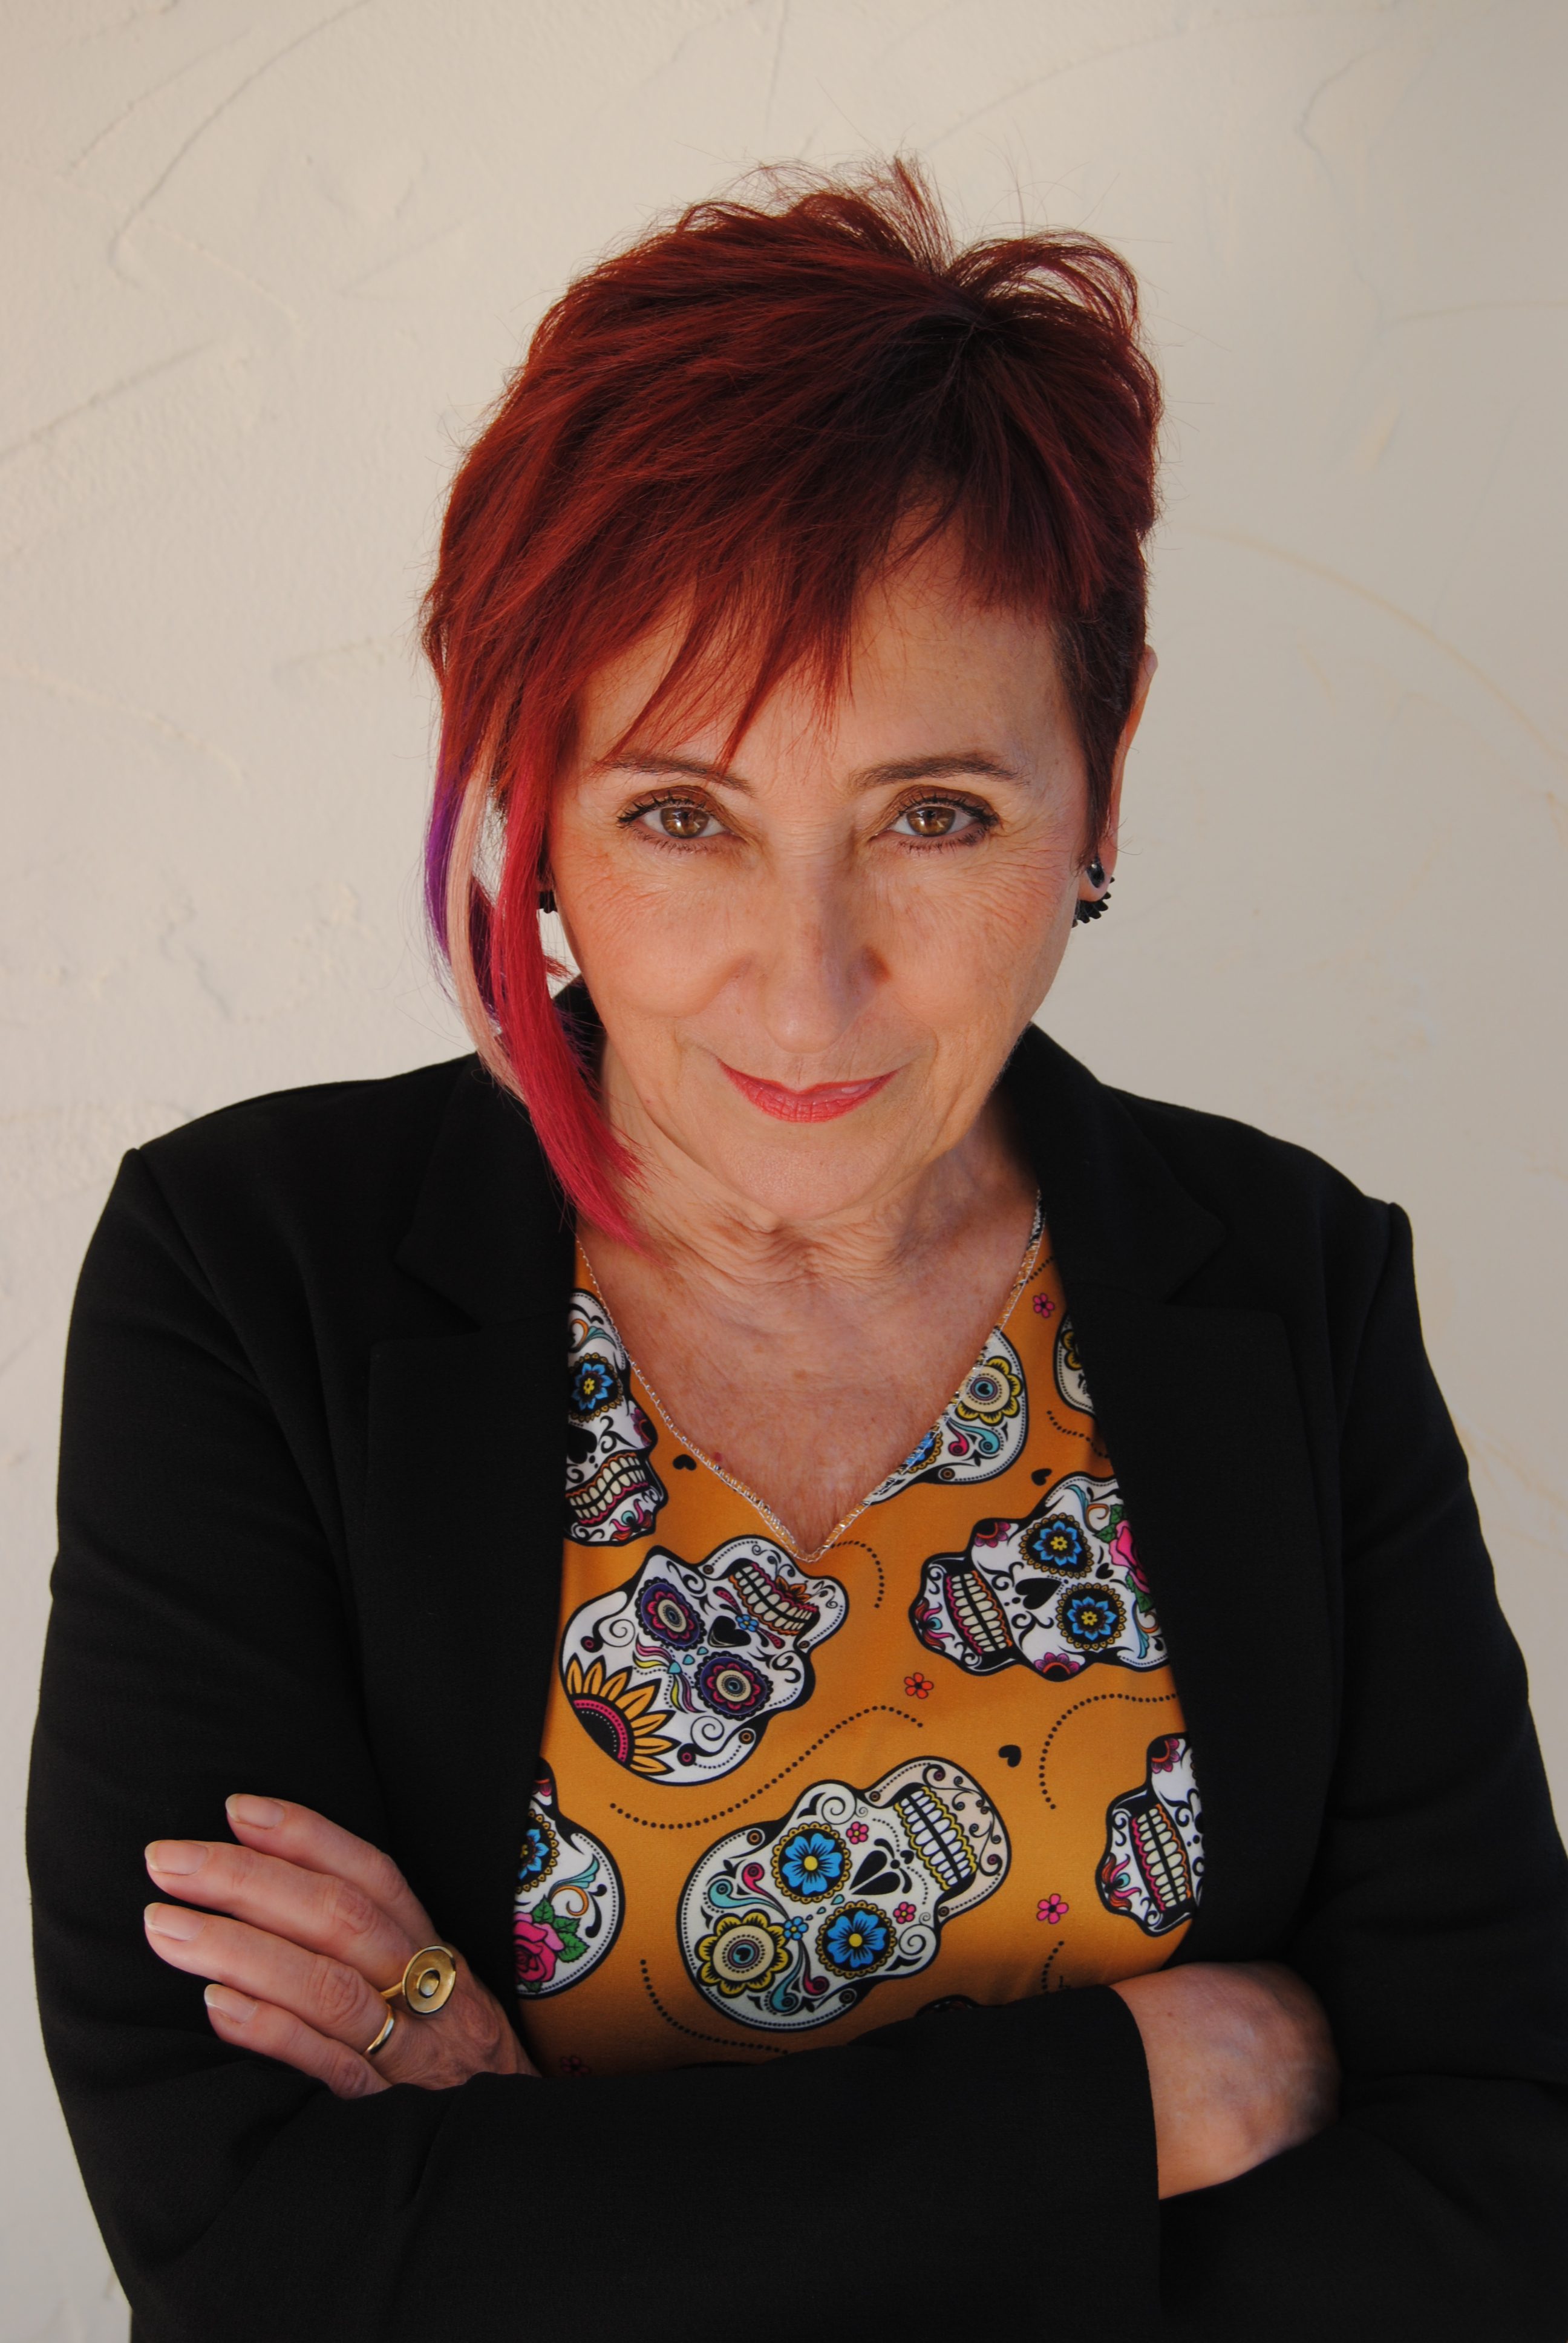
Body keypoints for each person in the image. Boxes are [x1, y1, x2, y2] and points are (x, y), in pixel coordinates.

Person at [27, 161, 1568, 2343]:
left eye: (938, 815)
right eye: (684, 816)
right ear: (532, 804)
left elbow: (1497, 2199)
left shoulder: (1290, 1282)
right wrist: (1125, 2103)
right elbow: (257, 2255)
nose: (809, 983)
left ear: (1102, 782)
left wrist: (548, 2189)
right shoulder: (250, 1278)